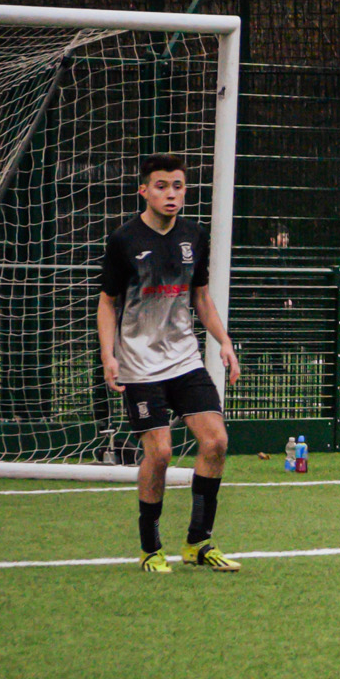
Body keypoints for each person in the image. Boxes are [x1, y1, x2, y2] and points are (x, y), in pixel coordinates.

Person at [97, 154, 243, 570]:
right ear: (143, 190)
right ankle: (150, 548)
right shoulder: (124, 240)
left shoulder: (194, 236)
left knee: (215, 441)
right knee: (159, 453)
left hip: (184, 359)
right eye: (162, 186)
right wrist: (108, 355)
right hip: (138, 364)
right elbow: (107, 304)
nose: (171, 194)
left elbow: (200, 296)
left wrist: (224, 341)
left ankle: (198, 543)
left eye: (178, 186)